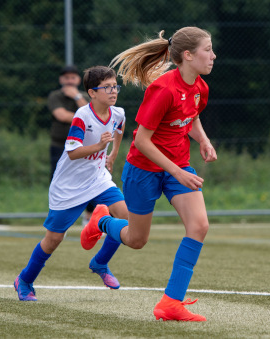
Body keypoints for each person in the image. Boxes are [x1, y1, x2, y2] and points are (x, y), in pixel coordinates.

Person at [81, 27, 217, 322]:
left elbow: (190, 117)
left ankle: (171, 303)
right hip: (143, 169)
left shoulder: (200, 87)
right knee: (136, 239)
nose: (213, 55)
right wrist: (177, 172)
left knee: (199, 226)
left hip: (176, 167)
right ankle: (102, 221)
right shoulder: (164, 89)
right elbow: (142, 140)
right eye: (208, 49)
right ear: (188, 55)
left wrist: (203, 140)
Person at [14, 66, 128, 301]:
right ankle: (24, 280)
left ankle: (100, 262)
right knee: (54, 239)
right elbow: (73, 151)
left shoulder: (117, 113)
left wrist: (113, 154)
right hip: (69, 186)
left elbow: (121, 126)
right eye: (106, 87)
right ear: (92, 93)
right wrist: (98, 147)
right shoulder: (82, 116)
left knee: (127, 217)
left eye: (115, 85)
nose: (113, 91)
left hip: (98, 179)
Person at [47, 65, 94, 224]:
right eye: (66, 78)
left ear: (78, 80)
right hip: (60, 146)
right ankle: (58, 221)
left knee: (88, 180)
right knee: (58, 181)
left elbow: (91, 115)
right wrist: (82, 116)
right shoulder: (55, 96)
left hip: (83, 146)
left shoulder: (85, 96)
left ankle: (89, 218)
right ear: (61, 80)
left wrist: (76, 97)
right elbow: (61, 115)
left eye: (72, 77)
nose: (69, 81)